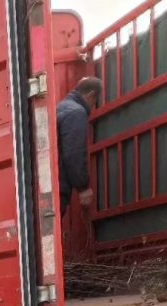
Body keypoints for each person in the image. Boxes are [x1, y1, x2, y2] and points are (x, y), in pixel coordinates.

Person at [56, 76, 103, 216]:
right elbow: (73, 153)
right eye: (95, 102)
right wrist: (83, 187)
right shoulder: (77, 112)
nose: (93, 107)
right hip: (59, 187)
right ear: (91, 95)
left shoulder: (61, 108)